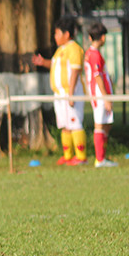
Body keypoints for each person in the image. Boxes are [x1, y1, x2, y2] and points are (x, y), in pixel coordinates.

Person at [33, 16, 87, 164]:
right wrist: (43, 62)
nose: (55, 37)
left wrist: (71, 94)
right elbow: (55, 65)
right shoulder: (60, 50)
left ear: (67, 34)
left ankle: (81, 156)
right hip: (59, 94)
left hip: (71, 92)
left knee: (75, 123)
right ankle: (68, 155)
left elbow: (75, 71)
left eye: (57, 33)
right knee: (64, 124)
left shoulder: (74, 49)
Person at [82, 21, 117, 167]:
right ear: (103, 37)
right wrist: (105, 97)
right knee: (100, 124)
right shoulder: (94, 55)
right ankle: (100, 159)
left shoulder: (90, 53)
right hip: (99, 94)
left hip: (100, 94)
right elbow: (97, 77)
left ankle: (102, 156)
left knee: (106, 124)